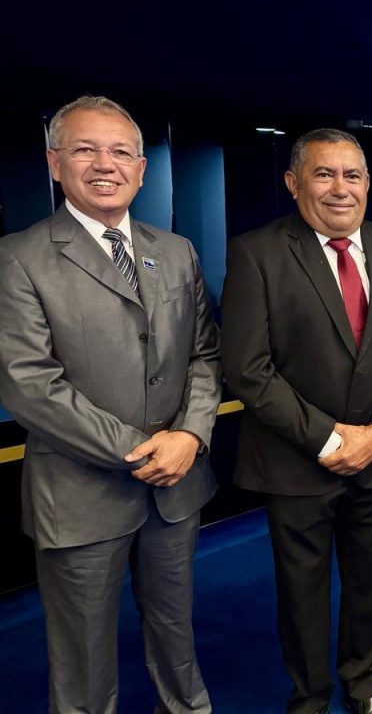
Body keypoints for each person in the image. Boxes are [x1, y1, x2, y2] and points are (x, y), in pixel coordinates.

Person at [0, 95, 221, 713]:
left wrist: (190, 436)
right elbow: (28, 382)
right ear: (54, 163)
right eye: (85, 150)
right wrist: (144, 451)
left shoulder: (175, 251)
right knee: (83, 656)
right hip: (79, 494)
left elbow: (205, 354)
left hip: (176, 488)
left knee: (177, 634)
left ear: (142, 169)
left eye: (121, 152)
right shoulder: (18, 257)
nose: (106, 164)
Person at [220, 129, 372, 714]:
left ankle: (366, 685)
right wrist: (330, 438)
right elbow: (248, 369)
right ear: (293, 182)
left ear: (368, 183)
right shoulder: (256, 253)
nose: (340, 188)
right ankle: (308, 697)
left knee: (371, 583)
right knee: (302, 592)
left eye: (352, 175)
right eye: (323, 174)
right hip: (297, 460)